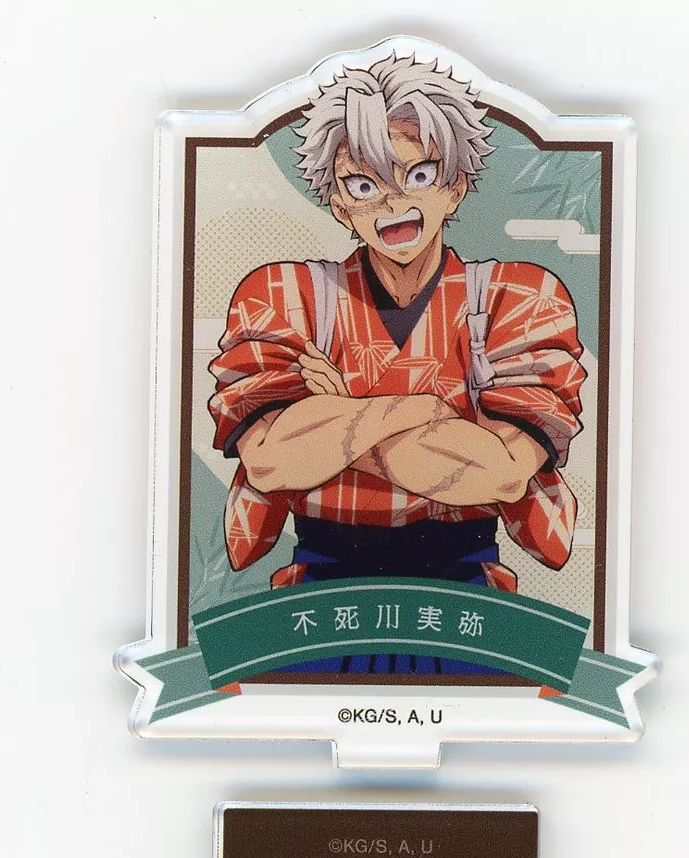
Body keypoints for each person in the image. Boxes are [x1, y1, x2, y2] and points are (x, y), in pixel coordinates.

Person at [207, 55, 586, 676]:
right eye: (363, 185)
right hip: (315, 590)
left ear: (455, 186)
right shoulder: (282, 293)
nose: (393, 202)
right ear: (338, 203)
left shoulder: (519, 295)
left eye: (419, 174)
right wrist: (427, 412)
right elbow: (271, 461)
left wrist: (337, 416)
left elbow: (498, 475)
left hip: (470, 593)